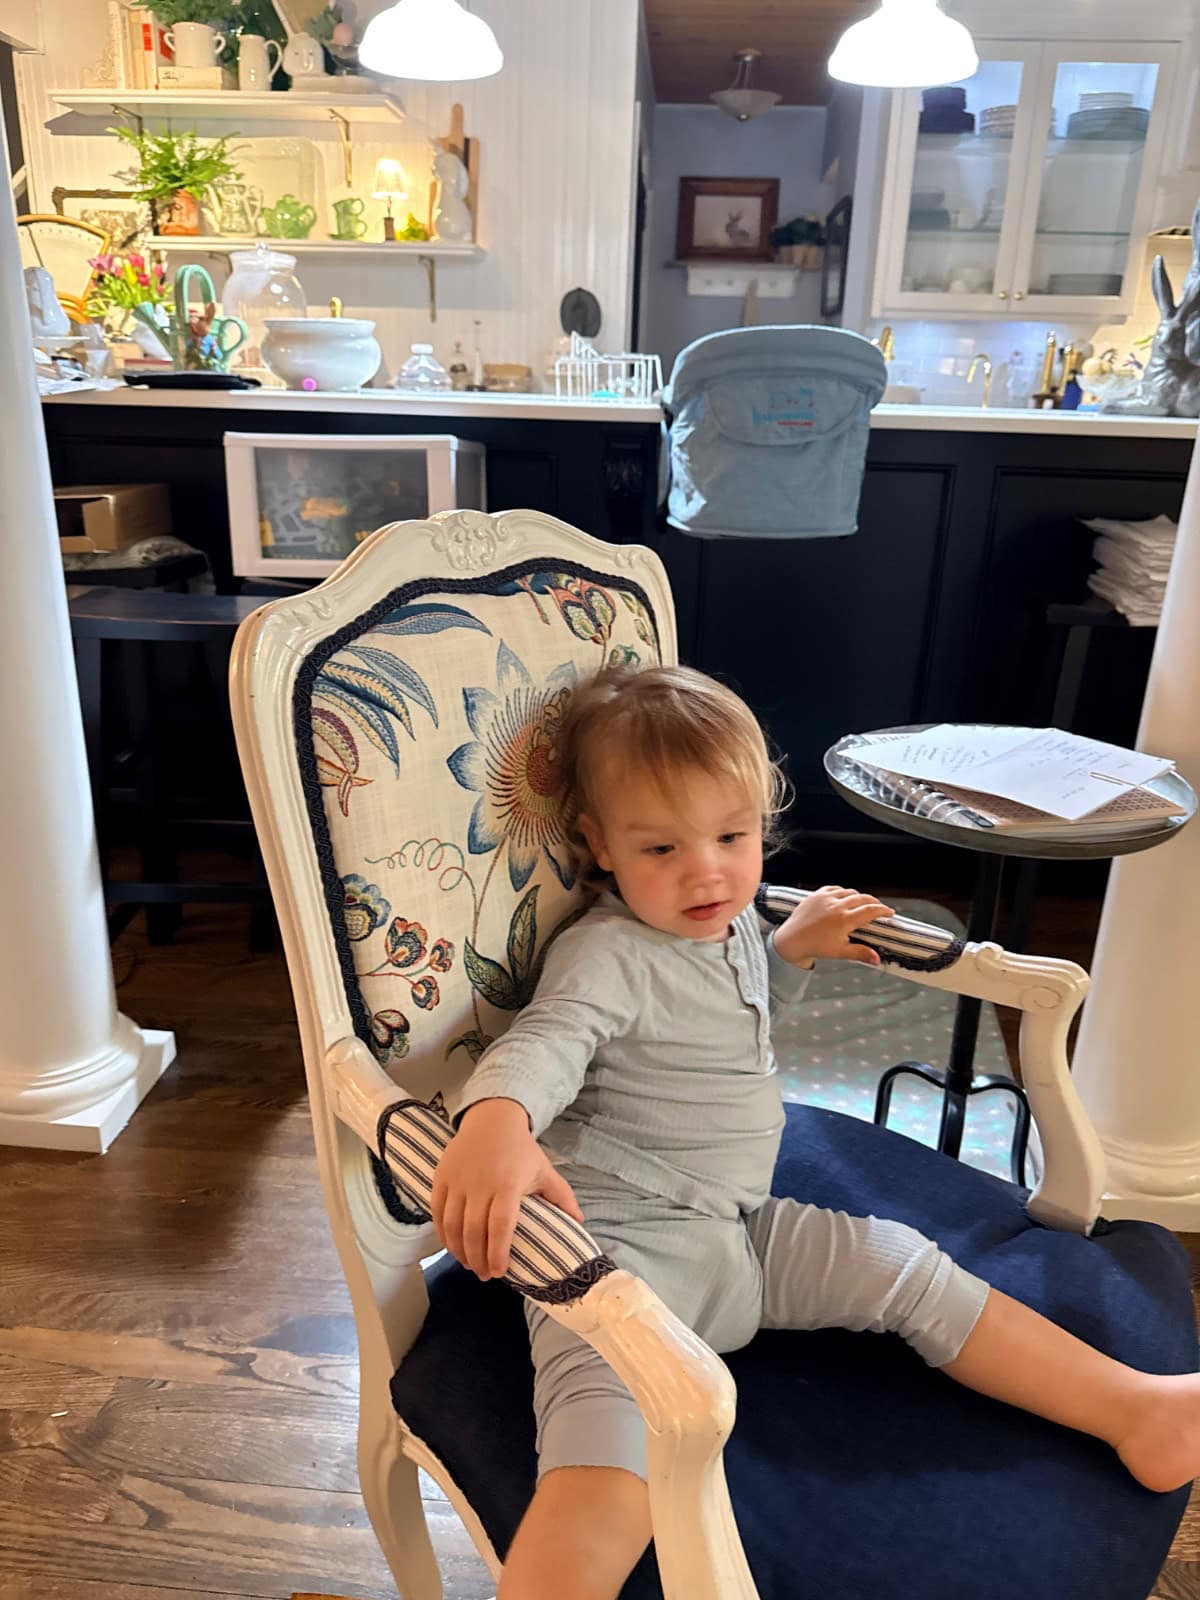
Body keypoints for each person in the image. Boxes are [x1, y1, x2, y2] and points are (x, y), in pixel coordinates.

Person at [432, 664, 1199, 1600]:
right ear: (597, 843)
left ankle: (1136, 1410)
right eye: (662, 847)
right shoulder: (609, 954)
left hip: (740, 1230)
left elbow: (727, 1013)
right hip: (623, 1251)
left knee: (902, 1266)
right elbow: (549, 1041)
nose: (707, 870)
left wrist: (786, 953)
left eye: (732, 835)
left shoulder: (727, 925)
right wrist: (496, 1120)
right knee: (607, 1454)